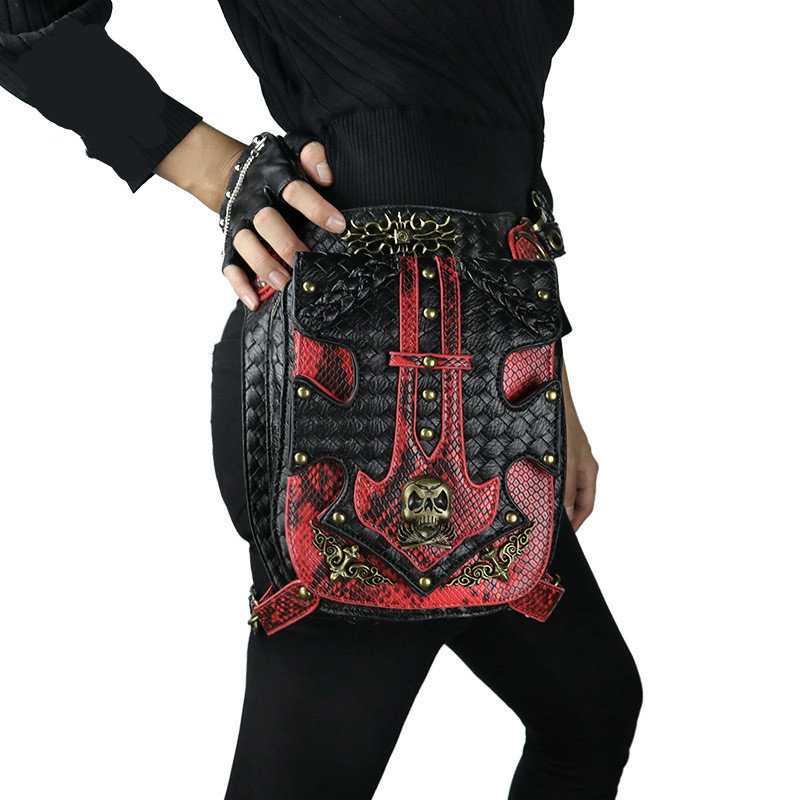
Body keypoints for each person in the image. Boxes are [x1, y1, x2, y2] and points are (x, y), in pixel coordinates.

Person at [0, 2, 643, 798]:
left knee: (591, 710)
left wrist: (545, 384)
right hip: (352, 378)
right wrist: (213, 167)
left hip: (488, 371)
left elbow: (489, 139)